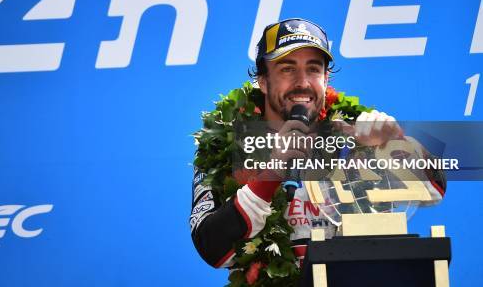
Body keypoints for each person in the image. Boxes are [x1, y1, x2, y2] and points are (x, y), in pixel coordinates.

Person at [190, 18, 446, 272]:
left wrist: (394, 143)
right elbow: (211, 247)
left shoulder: (355, 135)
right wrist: (272, 173)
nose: (302, 82)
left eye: (313, 69)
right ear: (264, 81)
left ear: (326, 79)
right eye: (287, 69)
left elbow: (435, 189)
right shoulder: (226, 143)